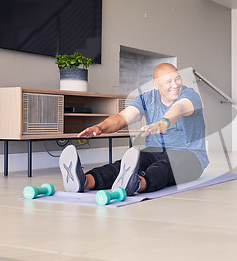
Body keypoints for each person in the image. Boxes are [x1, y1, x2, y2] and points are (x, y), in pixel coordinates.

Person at [59, 63, 209, 195]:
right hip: (155, 150)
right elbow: (123, 118)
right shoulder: (146, 98)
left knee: (164, 167)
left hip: (190, 154)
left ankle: (137, 184)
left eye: (177, 78)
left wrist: (163, 122)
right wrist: (100, 127)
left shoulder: (190, 94)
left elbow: (180, 108)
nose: (175, 84)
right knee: (123, 165)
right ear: (156, 85)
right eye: (169, 81)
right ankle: (84, 181)